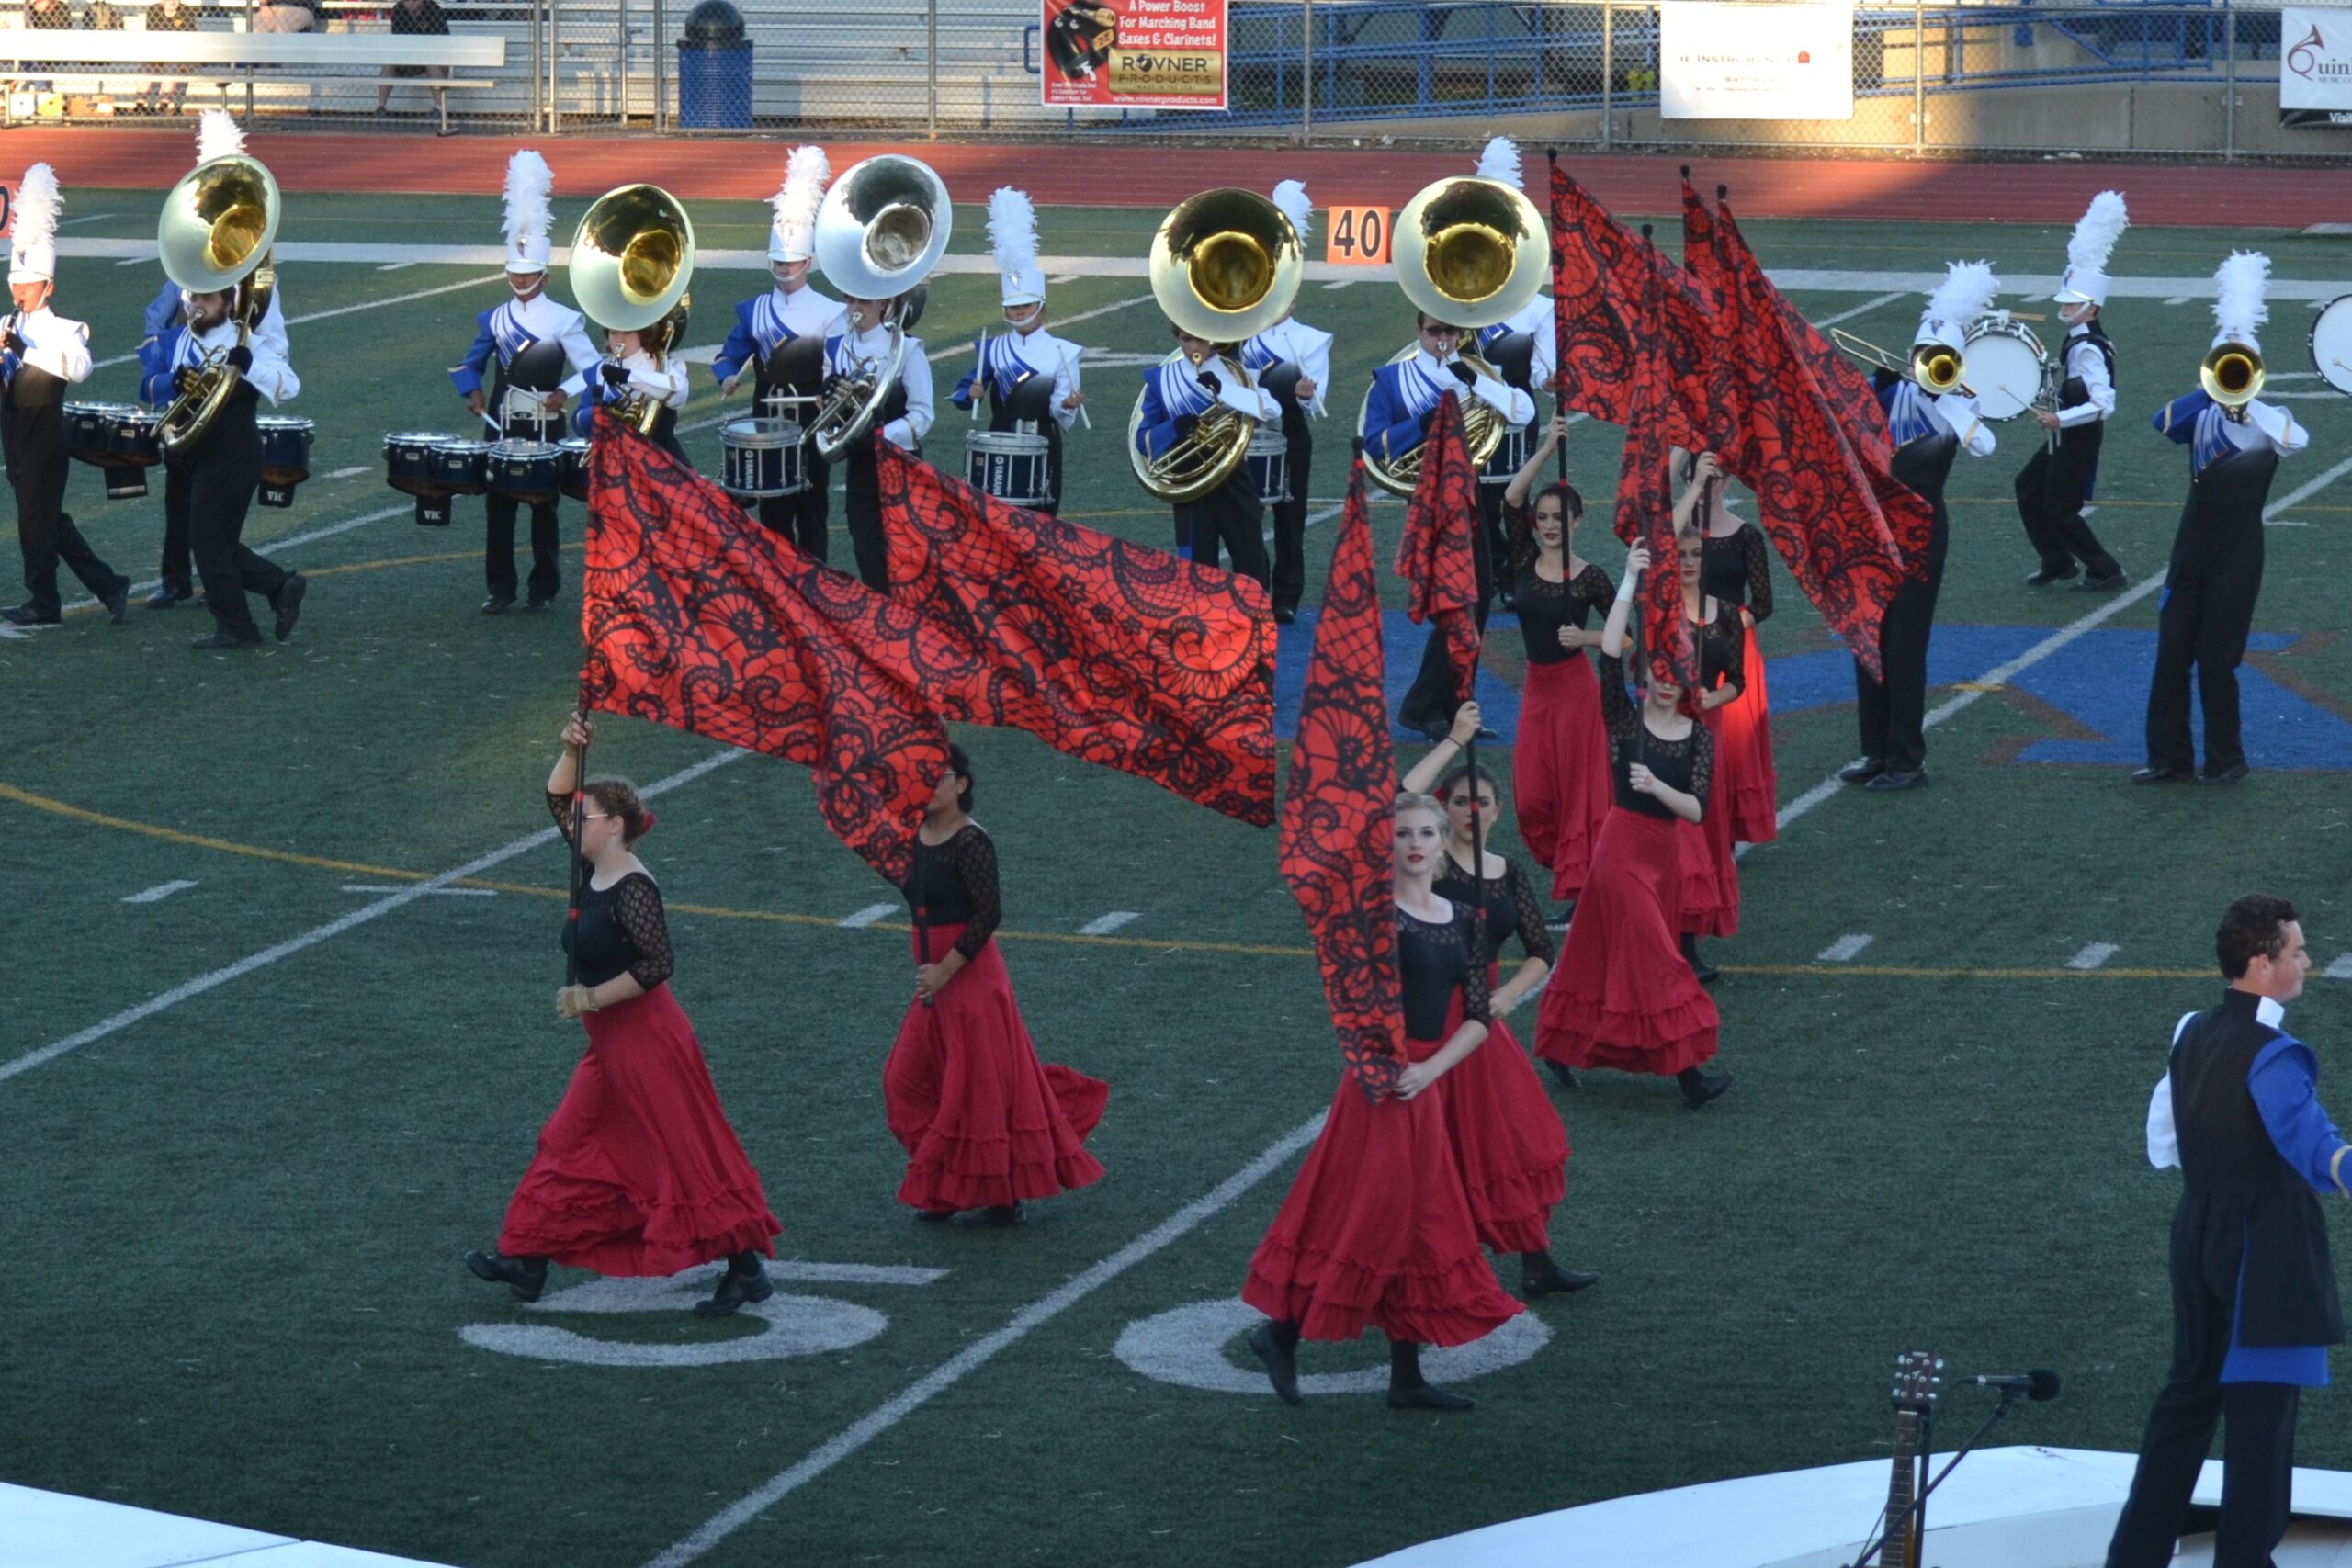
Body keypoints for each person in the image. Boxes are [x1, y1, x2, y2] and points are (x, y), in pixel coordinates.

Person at [466, 715, 782, 1318]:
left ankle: (746, 1269)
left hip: (648, 1040)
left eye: (587, 818)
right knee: (564, 1140)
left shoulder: (633, 885)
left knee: (684, 1154)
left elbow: (658, 963)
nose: (573, 823)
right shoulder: (590, 864)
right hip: (609, 1045)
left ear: (615, 826)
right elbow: (558, 795)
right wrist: (567, 746)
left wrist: (588, 997)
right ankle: (527, 1259)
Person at [1245, 793, 1526, 1410]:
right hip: (1378, 1086)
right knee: (1376, 1215)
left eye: (1428, 831)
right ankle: (1282, 1332)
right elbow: (1348, 997)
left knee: (1418, 1221)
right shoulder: (1373, 915)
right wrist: (1393, 1066)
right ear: (1389, 843)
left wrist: (1431, 1070)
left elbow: (1479, 1016)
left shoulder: (1463, 918)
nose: (1418, 843)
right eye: (1404, 834)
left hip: (1421, 1081)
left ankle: (1404, 1376)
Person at [2106, 894, 2343, 1568]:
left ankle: (2132, 1558)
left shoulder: (2191, 1031)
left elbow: (2164, 1141)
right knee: (2260, 1425)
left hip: (2198, 1231)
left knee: (2186, 1405)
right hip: (2265, 1249)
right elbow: (2311, 1143)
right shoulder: (2276, 1054)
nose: (2306, 961)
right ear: (2262, 963)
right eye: (2297, 951)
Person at [1403, 714, 1600, 1301]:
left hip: (1484, 1018)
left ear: (1496, 810)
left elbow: (1542, 950)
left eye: (1481, 802)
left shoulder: (1509, 873)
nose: (1471, 810)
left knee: (1516, 1141)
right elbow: (1402, 798)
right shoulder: (1430, 864)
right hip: (1438, 1015)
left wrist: (1510, 995)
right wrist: (1455, 741)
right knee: (1446, 1147)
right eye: (1460, 801)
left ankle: (1536, 1261)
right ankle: (1426, 1263)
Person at [1533, 547, 1730, 1109]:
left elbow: (1695, 809)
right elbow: (1610, 651)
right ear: (1646, 675)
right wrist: (1626, 579)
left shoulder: (1698, 738)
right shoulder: (1623, 719)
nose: (1666, 684)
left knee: (1595, 957)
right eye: (1658, 674)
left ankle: (1562, 1047)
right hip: (1620, 855)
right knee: (1660, 961)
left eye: (1675, 676)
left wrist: (1657, 787)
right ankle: (1691, 1075)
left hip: (1663, 856)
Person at [885, 744, 1107, 1223]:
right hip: (933, 980)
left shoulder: (971, 842)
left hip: (969, 978)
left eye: (937, 775)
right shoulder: (913, 835)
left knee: (978, 1089)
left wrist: (944, 969)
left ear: (961, 785)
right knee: (905, 1081)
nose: (926, 784)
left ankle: (1002, 1191)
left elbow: (989, 913)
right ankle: (947, 1177)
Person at [2136, 253, 2308, 789]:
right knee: (2170, 661)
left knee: (2217, 662)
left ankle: (2226, 760)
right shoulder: (2201, 413)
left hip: (2238, 553)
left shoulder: (2270, 424)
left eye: (2239, 368)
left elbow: (2296, 440)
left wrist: (2249, 400)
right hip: (2190, 550)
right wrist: (2216, 382)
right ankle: (2169, 759)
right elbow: (2161, 420)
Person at [1842, 263, 1998, 793]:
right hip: (1874, 527)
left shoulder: (1959, 402)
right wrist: (1879, 384)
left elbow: (1985, 446)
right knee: (1869, 639)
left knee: (1905, 646)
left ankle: (1907, 759)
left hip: (1921, 533)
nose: (1928, 366)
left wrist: (1950, 398)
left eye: (1941, 360)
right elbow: (1843, 414)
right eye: (1923, 358)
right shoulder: (1886, 390)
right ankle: (1874, 750)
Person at [1365, 310, 1536, 741]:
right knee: (1457, 597)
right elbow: (1374, 442)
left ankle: (1456, 706)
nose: (1443, 339)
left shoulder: (1476, 373)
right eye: (1434, 331)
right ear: (1418, 331)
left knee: (1473, 599)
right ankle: (1424, 705)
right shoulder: (1392, 380)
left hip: (1468, 494)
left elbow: (1522, 412)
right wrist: (1422, 426)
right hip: (1429, 501)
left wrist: (1477, 383)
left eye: (1450, 331)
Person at [448, 149, 595, 615]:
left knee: (542, 505)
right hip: (500, 422)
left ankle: (544, 588)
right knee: (499, 506)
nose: (521, 278)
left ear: (545, 275)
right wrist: (471, 391)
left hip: (545, 424)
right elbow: (470, 364)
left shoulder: (564, 319)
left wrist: (564, 394)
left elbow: (592, 369)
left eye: (530, 273)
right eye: (515, 271)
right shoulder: (495, 318)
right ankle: (501, 587)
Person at [138, 279, 305, 649]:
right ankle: (279, 587)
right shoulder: (173, 341)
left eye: (207, 298)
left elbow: (289, 386)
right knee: (214, 543)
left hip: (233, 454)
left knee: (208, 544)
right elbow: (146, 387)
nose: (197, 305)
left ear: (228, 303)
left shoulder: (245, 342)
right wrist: (172, 382)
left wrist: (249, 368)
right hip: (186, 453)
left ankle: (238, 627)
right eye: (193, 297)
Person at [1, 164, 129, 630]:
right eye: (15, 284)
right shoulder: (5, 325)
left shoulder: (64, 329)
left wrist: (25, 351)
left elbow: (79, 370)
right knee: (48, 522)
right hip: (13, 434)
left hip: (46, 437)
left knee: (36, 524)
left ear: (48, 287)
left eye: (28, 286)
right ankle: (110, 584)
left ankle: (44, 602)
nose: (19, 291)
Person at [1499, 413, 1611, 910]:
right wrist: (1547, 447)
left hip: (1575, 692)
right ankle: (1570, 870)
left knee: (1576, 795)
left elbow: (1629, 636)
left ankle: (1581, 887)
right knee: (1531, 797)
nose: (1548, 526)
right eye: (1543, 518)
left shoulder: (1591, 578)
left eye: (1558, 518)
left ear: (1577, 522)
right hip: (1537, 691)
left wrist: (1587, 635)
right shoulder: (1524, 558)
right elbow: (1510, 498)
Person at [712, 145, 840, 558]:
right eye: (780, 262)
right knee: (773, 509)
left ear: (808, 261)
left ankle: (817, 580)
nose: (785, 268)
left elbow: (837, 366)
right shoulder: (755, 310)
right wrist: (727, 375)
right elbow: (731, 352)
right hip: (766, 417)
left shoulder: (830, 312)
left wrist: (829, 394)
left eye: (792, 262)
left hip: (811, 418)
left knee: (812, 504)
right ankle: (780, 583)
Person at [949, 186, 1085, 517]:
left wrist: (1067, 406)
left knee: (1041, 517)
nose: (1019, 312)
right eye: (1013, 307)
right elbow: (963, 392)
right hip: (1000, 440)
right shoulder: (992, 348)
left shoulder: (1062, 352)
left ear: (1042, 308)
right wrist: (973, 392)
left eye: (1026, 306)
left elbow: (1060, 408)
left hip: (1042, 442)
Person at [2019, 190, 2128, 592]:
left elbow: (2104, 403)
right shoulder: (2080, 339)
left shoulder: (2087, 348)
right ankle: (2057, 561)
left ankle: (2106, 569)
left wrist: (2059, 417)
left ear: (2093, 308)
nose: (2065, 309)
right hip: (2066, 431)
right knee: (2028, 487)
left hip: (2077, 433)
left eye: (2073, 304)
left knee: (2060, 508)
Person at [1466, 137, 1556, 613]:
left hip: (1516, 420)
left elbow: (1545, 368)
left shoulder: (1537, 309)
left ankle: (1520, 573)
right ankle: (1494, 572)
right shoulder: (1458, 302)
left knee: (1511, 501)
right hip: (1470, 415)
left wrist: (1550, 379)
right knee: (1476, 506)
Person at [1238, 178, 1330, 624]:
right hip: (1244, 432)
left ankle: (1287, 595)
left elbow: (1318, 406)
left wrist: (1306, 396)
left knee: (1290, 515)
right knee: (1246, 514)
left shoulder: (1312, 340)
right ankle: (1253, 588)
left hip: (1290, 433)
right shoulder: (1237, 330)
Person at [1663, 499, 1746, 983]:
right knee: (1678, 842)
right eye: (1680, 554)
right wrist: (1693, 486)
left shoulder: (1726, 614)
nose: (1689, 563)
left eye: (1695, 554)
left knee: (1703, 839)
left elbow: (1736, 678)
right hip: (1667, 731)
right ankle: (1677, 945)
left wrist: (1715, 699)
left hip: (1706, 730)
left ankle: (1687, 940)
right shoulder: (1657, 610)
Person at [1677, 448, 1778, 837]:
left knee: (1733, 745)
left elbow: (1764, 602)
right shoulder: (1679, 535)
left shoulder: (1745, 534)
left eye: (1714, 479)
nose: (1706, 486)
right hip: (1685, 645)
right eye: (1698, 479)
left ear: (1728, 483)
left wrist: (1725, 625)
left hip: (1733, 646)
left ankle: (1731, 825)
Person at [1135, 323, 1274, 583]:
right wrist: (1173, 428)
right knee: (1196, 571)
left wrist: (1224, 391)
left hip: (1233, 475)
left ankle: (1254, 622)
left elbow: (1271, 409)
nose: (1193, 348)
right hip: (1190, 482)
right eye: (1186, 339)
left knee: (1251, 559)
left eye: (1200, 339)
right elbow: (1143, 442)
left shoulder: (1235, 372)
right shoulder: (1161, 380)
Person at [823, 291, 933, 592]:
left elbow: (922, 415)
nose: (855, 308)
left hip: (900, 464)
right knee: (866, 549)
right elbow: (833, 417)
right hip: (861, 465)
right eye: (849, 300)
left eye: (863, 301)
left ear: (883, 303)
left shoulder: (907, 349)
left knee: (906, 553)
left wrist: (879, 435)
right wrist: (830, 405)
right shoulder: (838, 348)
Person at [573, 321, 690, 469]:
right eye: (613, 333)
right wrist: (598, 415)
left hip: (661, 458)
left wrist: (628, 376)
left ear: (643, 334)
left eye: (627, 333)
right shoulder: (600, 370)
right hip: (615, 463)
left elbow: (679, 393)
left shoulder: (660, 366)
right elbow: (577, 422)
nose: (619, 339)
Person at [376, 0, 452, 130]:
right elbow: (399, 38)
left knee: (431, 61)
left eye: (414, 0)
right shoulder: (399, 10)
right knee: (389, 63)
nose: (410, 3)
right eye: (407, 1)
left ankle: (439, 108)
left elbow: (440, 40)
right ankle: (381, 106)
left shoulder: (433, 9)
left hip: (435, 56)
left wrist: (422, 46)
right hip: (409, 56)